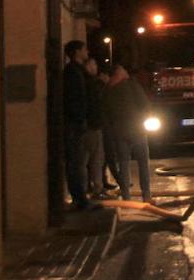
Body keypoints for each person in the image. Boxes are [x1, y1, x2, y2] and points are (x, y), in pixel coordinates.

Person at [102, 64, 155, 203]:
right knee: (143, 164)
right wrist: (142, 118)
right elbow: (145, 105)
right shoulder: (132, 85)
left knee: (123, 165)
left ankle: (126, 197)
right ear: (119, 73)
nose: (126, 72)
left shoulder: (108, 90)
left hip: (119, 131)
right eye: (123, 70)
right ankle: (146, 196)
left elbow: (106, 112)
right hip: (137, 130)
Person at [62, 40, 95, 210]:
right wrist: (80, 119)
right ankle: (80, 199)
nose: (87, 51)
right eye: (84, 49)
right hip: (75, 124)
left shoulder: (77, 71)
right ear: (76, 52)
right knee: (75, 162)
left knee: (78, 161)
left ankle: (81, 197)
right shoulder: (72, 72)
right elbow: (75, 98)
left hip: (77, 122)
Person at [82, 58, 108, 198]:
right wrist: (101, 84)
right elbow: (95, 102)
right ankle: (96, 189)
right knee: (95, 159)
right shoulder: (91, 83)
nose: (96, 66)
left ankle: (91, 187)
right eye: (93, 64)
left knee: (92, 159)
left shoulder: (87, 81)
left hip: (92, 124)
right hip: (92, 125)